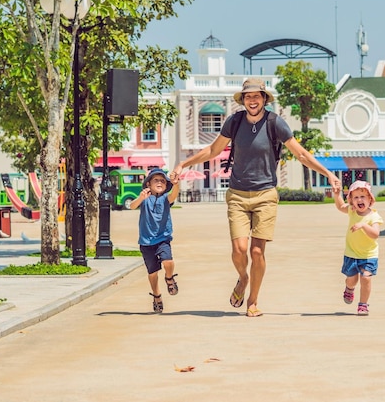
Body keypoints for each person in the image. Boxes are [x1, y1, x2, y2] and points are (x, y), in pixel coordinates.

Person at [169, 78, 341, 317]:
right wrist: (183, 164)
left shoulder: (275, 123)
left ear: (263, 99)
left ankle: (253, 301)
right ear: (244, 100)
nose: (252, 100)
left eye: (256, 96)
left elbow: (300, 154)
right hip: (238, 194)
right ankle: (242, 278)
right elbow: (213, 150)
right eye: (248, 96)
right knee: (239, 249)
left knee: (257, 252)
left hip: (266, 195)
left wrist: (328, 174)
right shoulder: (234, 122)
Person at [129, 168, 180, 314]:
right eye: (156, 180)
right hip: (146, 242)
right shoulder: (145, 199)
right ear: (148, 184)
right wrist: (140, 198)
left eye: (163, 181)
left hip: (163, 238)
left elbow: (173, 195)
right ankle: (157, 295)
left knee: (168, 262)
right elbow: (132, 206)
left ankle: (169, 278)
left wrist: (175, 184)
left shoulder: (165, 198)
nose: (159, 182)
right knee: (152, 272)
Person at [332, 180, 383, 316]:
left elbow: (375, 234)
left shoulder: (374, 216)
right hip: (351, 253)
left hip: (368, 255)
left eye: (363, 196)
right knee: (352, 279)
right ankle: (349, 288)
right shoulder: (352, 212)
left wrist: (363, 225)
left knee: (366, 278)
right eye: (355, 197)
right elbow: (340, 206)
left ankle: (363, 305)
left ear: (370, 199)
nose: (359, 200)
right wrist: (337, 195)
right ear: (352, 201)